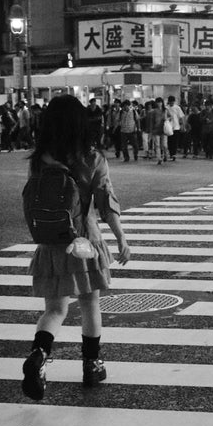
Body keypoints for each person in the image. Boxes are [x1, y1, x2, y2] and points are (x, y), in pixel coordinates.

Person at [20, 95, 132, 400]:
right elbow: (106, 204)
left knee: (55, 309)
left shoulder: (39, 160)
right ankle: (92, 365)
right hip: (85, 240)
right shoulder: (92, 158)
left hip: (52, 241)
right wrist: (121, 237)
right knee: (89, 304)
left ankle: (39, 355)